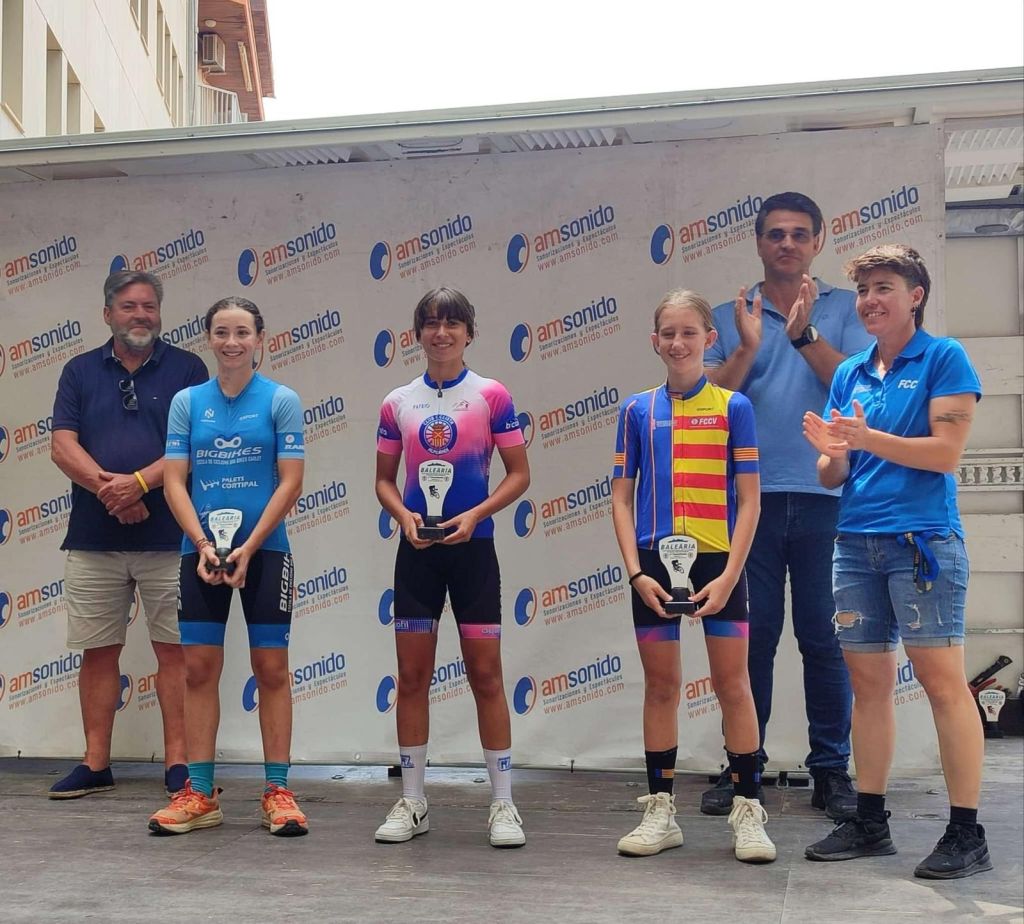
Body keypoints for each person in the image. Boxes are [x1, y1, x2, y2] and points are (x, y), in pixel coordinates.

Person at [803, 244, 990, 879]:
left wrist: (864, 438)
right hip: (854, 543)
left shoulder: (944, 357)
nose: (871, 300)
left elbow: (945, 453)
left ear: (916, 296)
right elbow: (832, 473)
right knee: (869, 687)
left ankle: (966, 833)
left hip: (922, 544)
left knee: (943, 686)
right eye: (863, 290)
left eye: (884, 287)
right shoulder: (850, 372)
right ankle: (870, 822)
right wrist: (833, 453)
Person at [702, 192, 873, 818]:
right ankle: (742, 767)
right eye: (776, 233)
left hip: (830, 497)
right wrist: (746, 348)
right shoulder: (729, 315)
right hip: (749, 503)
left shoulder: (847, 308)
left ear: (818, 241)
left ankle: (831, 770)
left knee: (825, 639)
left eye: (800, 233)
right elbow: (704, 401)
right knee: (752, 641)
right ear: (758, 242)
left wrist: (803, 336)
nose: (788, 243)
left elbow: (857, 385)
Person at [612, 289, 775, 863]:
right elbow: (621, 498)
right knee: (661, 688)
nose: (678, 343)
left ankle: (748, 810)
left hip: (717, 563)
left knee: (734, 686)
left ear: (710, 339)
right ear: (653, 341)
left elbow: (750, 500)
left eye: (689, 333)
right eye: (668, 333)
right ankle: (660, 810)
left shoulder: (734, 407)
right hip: (654, 566)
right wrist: (636, 573)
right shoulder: (636, 410)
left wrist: (730, 575)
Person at [374, 287, 530, 848]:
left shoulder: (491, 395)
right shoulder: (398, 402)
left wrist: (476, 515)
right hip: (417, 553)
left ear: (469, 332)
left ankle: (504, 803)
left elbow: (519, 474)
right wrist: (404, 517)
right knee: (412, 678)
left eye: (453, 323)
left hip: (473, 551)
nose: (442, 333)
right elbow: (384, 481)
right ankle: (413, 801)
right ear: (417, 334)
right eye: (431, 324)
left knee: (486, 676)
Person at [147, 297, 307, 837]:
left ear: (260, 339)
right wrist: (202, 543)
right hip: (200, 554)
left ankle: (278, 791)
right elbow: (174, 481)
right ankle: (199, 794)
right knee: (197, 670)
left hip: (266, 552)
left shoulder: (281, 400)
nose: (232, 342)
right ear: (209, 339)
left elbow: (291, 482)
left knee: (271, 670)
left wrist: (249, 548)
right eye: (221, 332)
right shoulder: (188, 402)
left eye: (242, 332)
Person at [49, 270, 207, 799]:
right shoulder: (78, 371)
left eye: (149, 307)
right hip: (93, 539)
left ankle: (179, 763)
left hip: (172, 537)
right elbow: (62, 446)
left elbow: (193, 444)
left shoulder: (188, 368)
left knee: (175, 652)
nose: (140, 315)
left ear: (159, 314)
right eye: (128, 306)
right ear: (107, 314)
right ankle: (96, 763)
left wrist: (137, 483)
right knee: (97, 651)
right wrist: (111, 492)